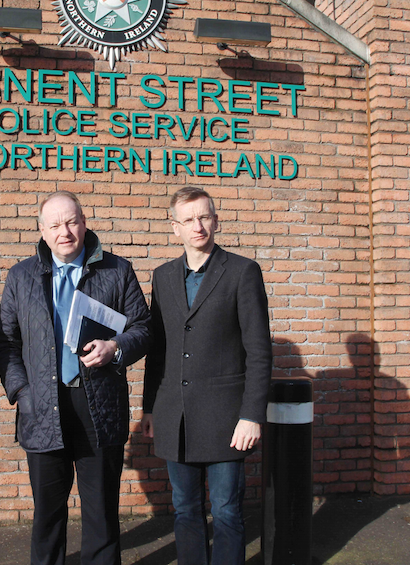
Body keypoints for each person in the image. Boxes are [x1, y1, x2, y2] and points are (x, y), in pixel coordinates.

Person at [0, 191, 151, 565]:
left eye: (72, 221)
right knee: (47, 515)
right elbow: (5, 341)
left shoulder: (117, 270)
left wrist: (115, 347)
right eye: (56, 224)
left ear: (84, 222)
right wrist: (22, 391)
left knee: (100, 513)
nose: (65, 231)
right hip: (42, 406)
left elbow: (143, 328)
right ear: (42, 230)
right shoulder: (21, 276)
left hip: (99, 405)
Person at [141, 186, 272, 565]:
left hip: (226, 419)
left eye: (204, 217)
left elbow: (259, 352)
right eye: (189, 219)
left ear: (215, 220)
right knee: (185, 510)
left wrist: (251, 415)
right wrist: (149, 408)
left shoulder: (243, 272)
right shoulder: (163, 276)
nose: (198, 226)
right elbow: (159, 348)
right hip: (175, 417)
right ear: (175, 228)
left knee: (228, 513)